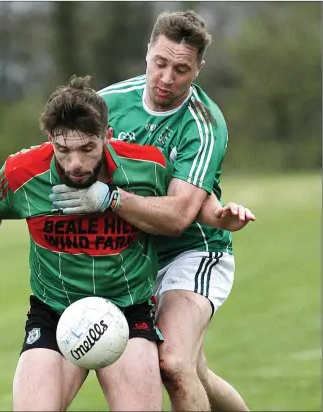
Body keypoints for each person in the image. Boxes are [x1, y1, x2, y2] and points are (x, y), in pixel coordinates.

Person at [0, 75, 252, 412]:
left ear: (107, 137)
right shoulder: (22, 172)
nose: (76, 163)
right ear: (50, 138)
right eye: (64, 150)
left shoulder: (145, 165)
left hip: (128, 312)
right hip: (54, 312)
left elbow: (185, 198)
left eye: (87, 148)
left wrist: (220, 215)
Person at [50, 10, 253, 412]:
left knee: (173, 364)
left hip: (192, 252)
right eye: (160, 63)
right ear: (147, 52)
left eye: (181, 69)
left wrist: (110, 199)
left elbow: (179, 216)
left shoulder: (204, 124)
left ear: (199, 69)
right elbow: (62, 157)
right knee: (196, 373)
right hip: (130, 253)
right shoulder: (108, 104)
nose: (166, 78)